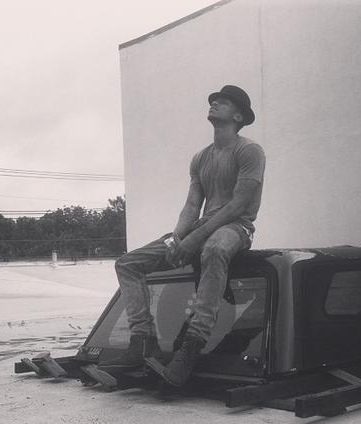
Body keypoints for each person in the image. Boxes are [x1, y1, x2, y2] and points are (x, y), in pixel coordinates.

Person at [99, 84, 266, 386]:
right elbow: (191, 206)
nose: (214, 103)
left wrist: (193, 239)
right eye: (214, 100)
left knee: (214, 249)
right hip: (200, 228)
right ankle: (143, 340)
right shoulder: (200, 158)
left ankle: (192, 344)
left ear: (239, 116)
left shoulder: (249, 151)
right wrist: (176, 239)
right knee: (127, 263)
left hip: (237, 228)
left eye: (224, 101)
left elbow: (238, 205)